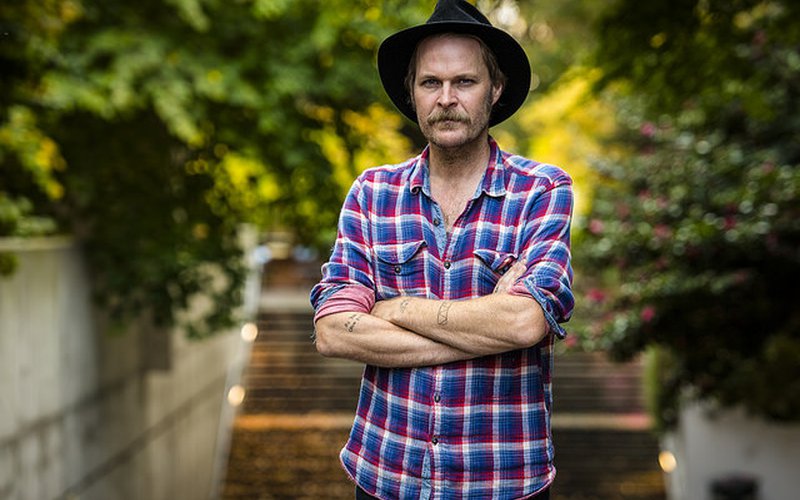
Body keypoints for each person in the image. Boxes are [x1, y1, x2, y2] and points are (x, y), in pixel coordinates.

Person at [310, 1, 574, 498]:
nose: (446, 98)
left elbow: (524, 323)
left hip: (500, 480)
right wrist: (486, 329)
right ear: (412, 92)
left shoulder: (540, 190)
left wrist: (396, 309)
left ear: (495, 89)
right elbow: (332, 331)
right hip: (385, 476)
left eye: (465, 82)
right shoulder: (372, 193)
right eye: (431, 82)